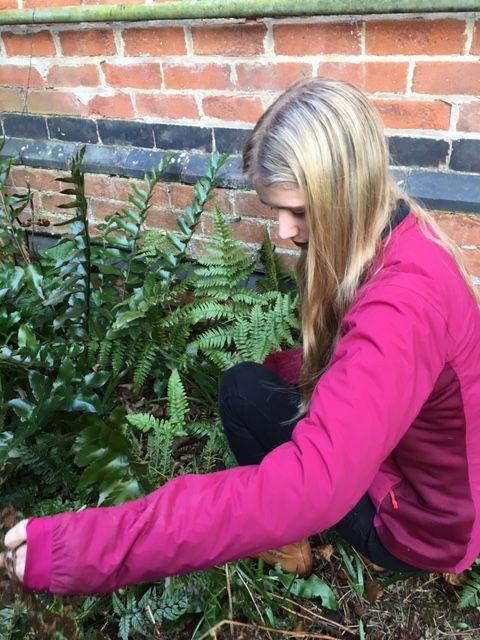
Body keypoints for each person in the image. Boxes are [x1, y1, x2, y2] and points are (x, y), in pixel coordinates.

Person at [1, 77, 480, 594]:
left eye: (299, 211)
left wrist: (81, 548)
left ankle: (304, 544)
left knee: (245, 403)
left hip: (423, 529)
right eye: (277, 210)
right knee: (248, 384)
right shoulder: (402, 237)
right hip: (440, 489)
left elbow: (306, 487)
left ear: (349, 192)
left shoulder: (401, 307)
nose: (284, 231)